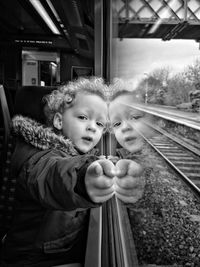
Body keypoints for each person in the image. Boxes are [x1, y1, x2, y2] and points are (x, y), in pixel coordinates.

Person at [1, 77, 116, 267]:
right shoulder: (40, 156)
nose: (92, 127)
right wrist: (81, 179)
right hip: (31, 259)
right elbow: (53, 176)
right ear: (59, 121)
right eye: (83, 117)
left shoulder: (77, 154)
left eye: (100, 124)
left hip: (57, 252)